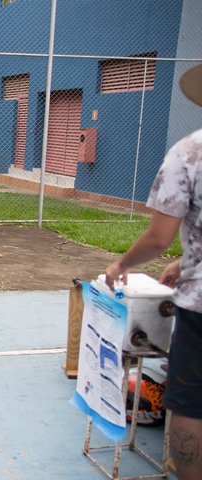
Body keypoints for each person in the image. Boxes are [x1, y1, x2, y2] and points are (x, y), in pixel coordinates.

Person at [104, 64, 202, 480]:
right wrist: (187, 260)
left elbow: (159, 236)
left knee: (190, 403)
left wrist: (121, 264)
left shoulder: (190, 153)